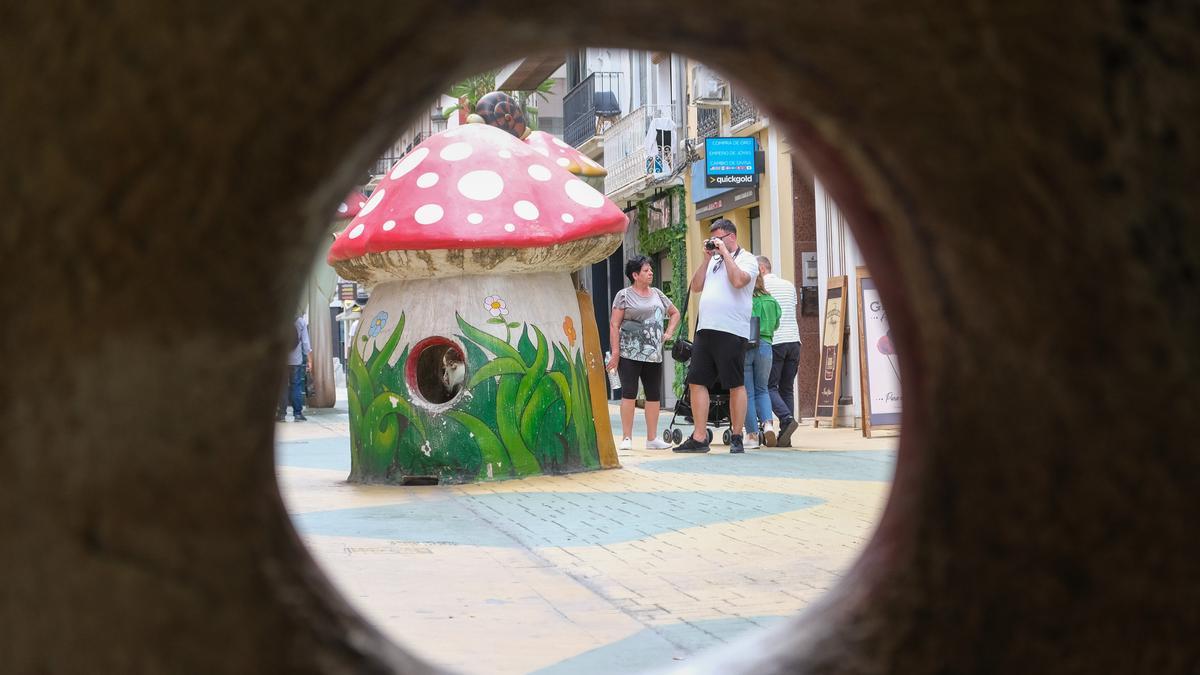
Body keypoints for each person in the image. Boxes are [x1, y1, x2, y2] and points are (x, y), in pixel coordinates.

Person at [673, 219, 759, 454]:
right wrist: (707, 258)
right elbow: (696, 286)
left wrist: (725, 254)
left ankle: (738, 435)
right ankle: (700, 437)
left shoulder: (747, 259)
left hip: (731, 330)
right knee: (696, 381)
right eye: (713, 240)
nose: (715, 243)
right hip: (706, 329)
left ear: (731, 237)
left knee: (734, 383)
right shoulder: (713, 261)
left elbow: (738, 280)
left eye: (719, 239)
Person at [607, 255, 681, 450]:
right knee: (629, 393)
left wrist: (669, 332)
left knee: (654, 394)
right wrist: (615, 353)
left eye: (650, 270)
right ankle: (626, 438)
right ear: (635, 275)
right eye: (646, 271)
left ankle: (652, 438)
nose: (650, 273)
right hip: (629, 353)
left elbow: (675, 313)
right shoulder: (624, 295)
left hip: (653, 354)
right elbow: (614, 325)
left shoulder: (657, 293)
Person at [758, 256, 802, 446]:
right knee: (787, 388)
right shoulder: (789, 285)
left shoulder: (759, 288)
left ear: (761, 269)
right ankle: (786, 436)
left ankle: (786, 418)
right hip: (794, 341)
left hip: (775, 341)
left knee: (768, 387)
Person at [742, 272, 781, 449]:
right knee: (763, 389)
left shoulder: (744, 300)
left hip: (746, 346)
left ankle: (751, 435)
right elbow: (776, 324)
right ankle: (768, 425)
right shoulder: (771, 300)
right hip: (766, 344)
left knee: (747, 392)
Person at [278, 314, 312, 422]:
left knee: (281, 387)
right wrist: (310, 360)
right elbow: (306, 343)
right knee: (296, 386)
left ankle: (281, 414)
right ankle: (297, 414)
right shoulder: (301, 321)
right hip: (296, 360)